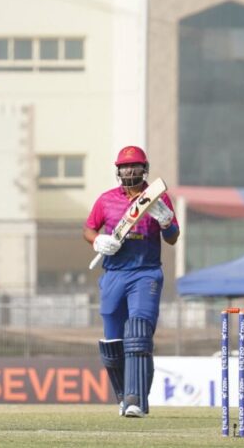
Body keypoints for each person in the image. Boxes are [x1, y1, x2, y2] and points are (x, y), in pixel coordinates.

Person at [83, 145, 179, 418]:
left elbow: (173, 238)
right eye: (125, 167)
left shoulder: (157, 197)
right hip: (114, 274)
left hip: (145, 272)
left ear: (144, 169)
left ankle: (136, 399)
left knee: (138, 333)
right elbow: (89, 230)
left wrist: (166, 221)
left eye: (134, 166)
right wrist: (98, 241)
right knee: (112, 340)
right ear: (118, 171)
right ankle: (124, 397)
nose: (129, 171)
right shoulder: (106, 200)